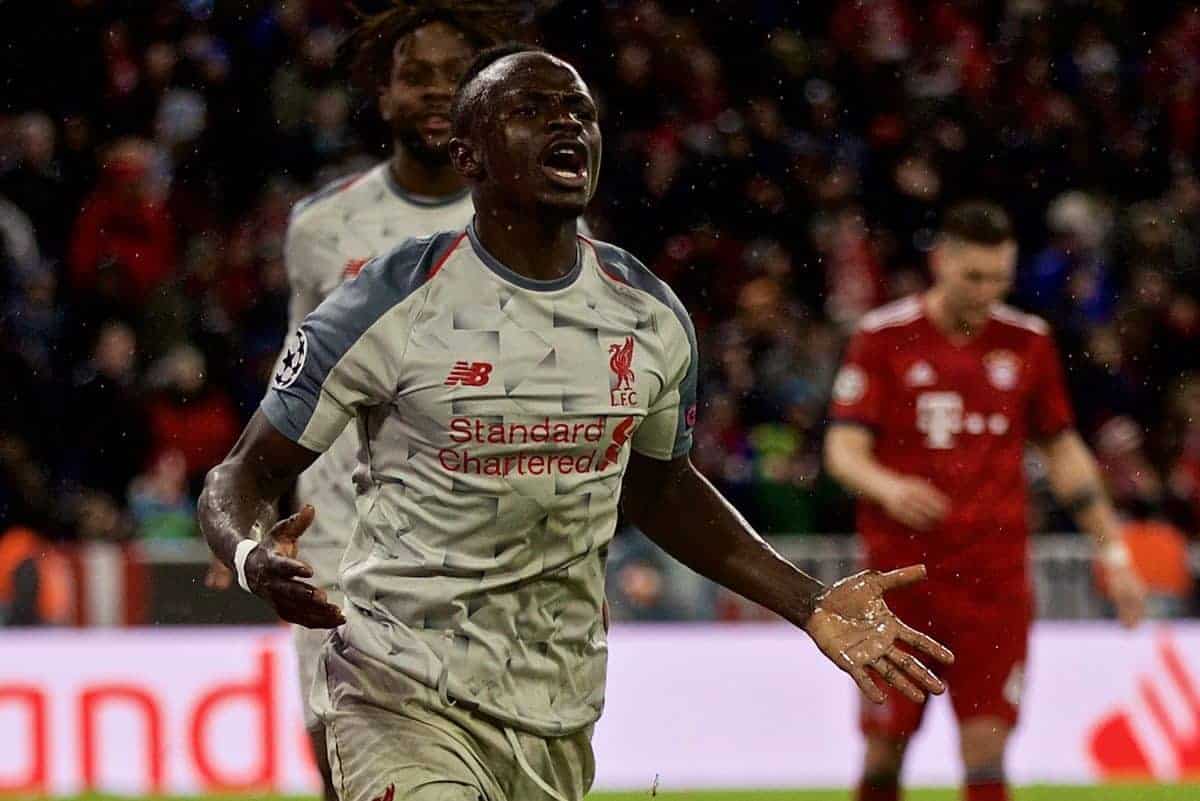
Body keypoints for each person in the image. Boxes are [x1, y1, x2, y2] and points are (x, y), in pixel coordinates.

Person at [200, 45, 953, 801]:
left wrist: (809, 600)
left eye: (579, 112)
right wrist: (247, 557)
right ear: (469, 155)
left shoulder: (648, 313)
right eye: (530, 111)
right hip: (398, 689)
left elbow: (660, 488)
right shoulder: (385, 303)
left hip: (555, 707)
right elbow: (244, 472)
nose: (566, 125)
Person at [204, 6, 520, 798]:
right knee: (341, 766)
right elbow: (296, 371)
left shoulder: (524, 222)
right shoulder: (322, 227)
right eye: (416, 75)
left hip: (484, 555)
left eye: (456, 74)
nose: (436, 91)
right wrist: (253, 499)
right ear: (383, 95)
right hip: (344, 547)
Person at [823, 200, 1148, 801]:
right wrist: (889, 486)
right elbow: (842, 449)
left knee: (987, 751)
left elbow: (1065, 452)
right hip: (900, 584)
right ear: (940, 262)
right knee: (884, 750)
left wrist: (1116, 554)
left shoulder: (1028, 343)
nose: (987, 291)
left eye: (1000, 277)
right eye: (974, 277)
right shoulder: (882, 338)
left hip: (993, 583)